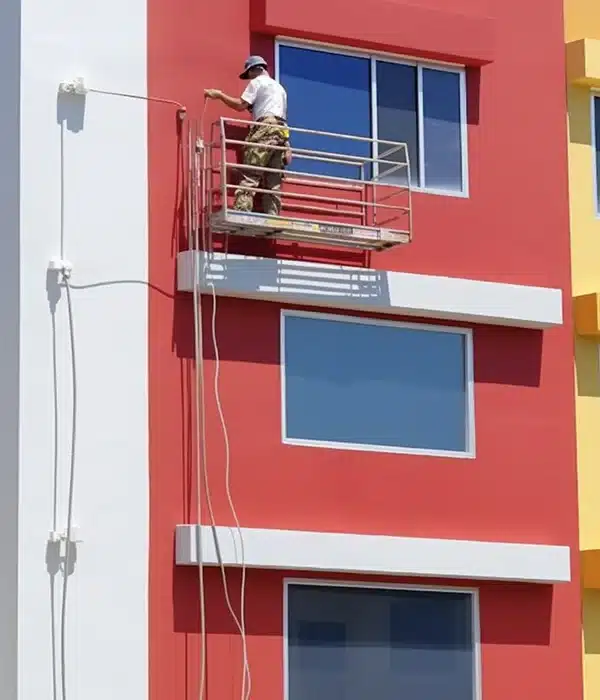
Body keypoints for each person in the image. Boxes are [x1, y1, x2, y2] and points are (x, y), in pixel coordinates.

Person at [204, 56, 291, 216]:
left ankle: (242, 210)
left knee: (251, 172)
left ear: (254, 69)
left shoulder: (257, 82)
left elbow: (240, 105)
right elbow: (282, 119)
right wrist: (287, 146)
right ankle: (273, 215)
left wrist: (220, 95)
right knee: (273, 178)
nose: (248, 78)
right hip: (281, 132)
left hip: (265, 128)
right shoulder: (279, 88)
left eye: (249, 74)